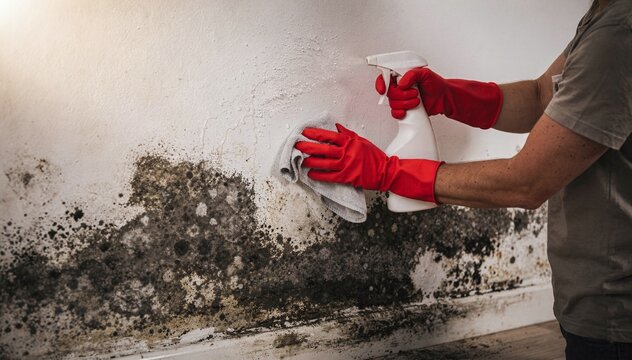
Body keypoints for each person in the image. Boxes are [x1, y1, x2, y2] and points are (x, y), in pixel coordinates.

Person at [294, 0, 631, 358]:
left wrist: (388, 173)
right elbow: (541, 97)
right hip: (597, 302)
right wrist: (451, 97)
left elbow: (528, 181)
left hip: (617, 317)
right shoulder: (606, 16)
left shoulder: (619, 34)